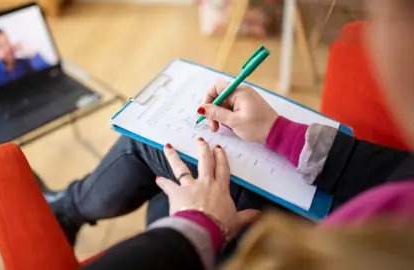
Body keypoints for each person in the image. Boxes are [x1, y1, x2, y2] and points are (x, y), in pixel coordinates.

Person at [42, 0, 414, 268]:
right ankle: (67, 209)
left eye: (381, 13)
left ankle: (66, 209)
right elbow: (393, 171)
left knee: (157, 149)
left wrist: (197, 226)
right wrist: (277, 130)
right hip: (327, 208)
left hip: (270, 238)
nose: (374, 39)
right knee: (172, 168)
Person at [0, 28, 50, 94]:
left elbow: (50, 77)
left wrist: (33, 55)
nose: (7, 48)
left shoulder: (27, 62)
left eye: (7, 42)